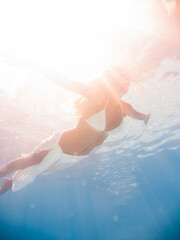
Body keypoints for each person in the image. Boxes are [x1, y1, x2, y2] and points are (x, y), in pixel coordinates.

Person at [0, 66, 150, 195]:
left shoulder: (126, 107)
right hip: (60, 146)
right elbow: (63, 81)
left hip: (73, 158)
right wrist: (33, 64)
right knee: (28, 162)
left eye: (128, 82)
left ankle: (8, 184)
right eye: (124, 80)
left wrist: (146, 118)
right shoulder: (98, 95)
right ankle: (5, 182)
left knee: (36, 169)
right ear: (113, 80)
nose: (127, 85)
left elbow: (138, 115)